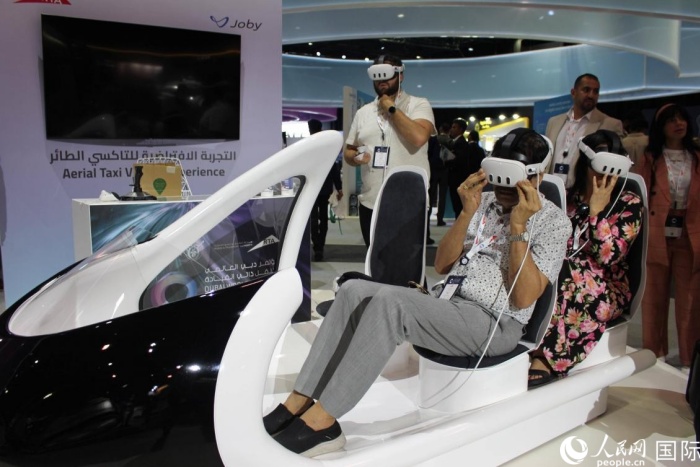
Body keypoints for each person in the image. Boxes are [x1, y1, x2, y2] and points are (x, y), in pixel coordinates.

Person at [263, 129, 570, 457]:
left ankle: (324, 423)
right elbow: (443, 264)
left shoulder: (554, 222)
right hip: (449, 303)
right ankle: (299, 400)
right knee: (353, 290)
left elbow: (523, 298)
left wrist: (518, 227)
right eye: (498, 176)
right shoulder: (485, 204)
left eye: (513, 178)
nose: (503, 187)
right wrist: (467, 212)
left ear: (536, 175)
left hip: (494, 322)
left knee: (390, 304)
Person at [528, 130, 643, 386]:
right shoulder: (569, 196)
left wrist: (597, 212)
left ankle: (548, 355)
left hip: (607, 285)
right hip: (561, 271)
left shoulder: (628, 202)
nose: (606, 175)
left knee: (565, 271)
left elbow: (609, 257)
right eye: (600, 166)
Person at [344, 55, 436, 247]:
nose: (382, 80)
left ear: (400, 75)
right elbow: (349, 151)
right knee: (374, 261)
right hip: (371, 202)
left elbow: (419, 137)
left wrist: (391, 109)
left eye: (387, 74)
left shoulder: (418, 104)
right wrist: (356, 157)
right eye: (377, 75)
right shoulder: (364, 112)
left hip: (409, 203)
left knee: (408, 262)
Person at [638, 103, 700, 370]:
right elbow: (639, 195)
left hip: (690, 231)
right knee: (654, 296)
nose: (679, 124)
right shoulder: (650, 157)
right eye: (672, 120)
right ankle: (654, 354)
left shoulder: (696, 157)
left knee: (690, 299)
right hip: (657, 231)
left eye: (682, 119)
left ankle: (689, 358)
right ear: (661, 126)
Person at [546, 73, 624, 189]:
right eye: (586, 90)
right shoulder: (554, 122)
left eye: (595, 91)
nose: (591, 95)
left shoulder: (610, 124)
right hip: (550, 191)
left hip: (583, 192)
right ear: (573, 92)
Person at [308, 119, 343, 261]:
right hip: (324, 188)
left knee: (313, 219)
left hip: (312, 189)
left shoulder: (308, 147)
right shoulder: (326, 147)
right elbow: (334, 169)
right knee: (323, 218)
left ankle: (317, 246)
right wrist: (339, 187)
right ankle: (320, 246)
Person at [442, 118, 470, 217]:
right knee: (456, 205)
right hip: (455, 178)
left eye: (454, 127)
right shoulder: (455, 142)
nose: (451, 129)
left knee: (458, 205)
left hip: (458, 179)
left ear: (461, 129)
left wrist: (447, 160)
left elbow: (459, 160)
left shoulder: (461, 143)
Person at [429, 122, 450, 226]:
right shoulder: (450, 141)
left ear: (440, 129)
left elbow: (429, 153)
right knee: (442, 196)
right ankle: (440, 219)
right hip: (445, 170)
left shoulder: (433, 139)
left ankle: (427, 217)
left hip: (433, 170)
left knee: (431, 194)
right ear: (448, 131)